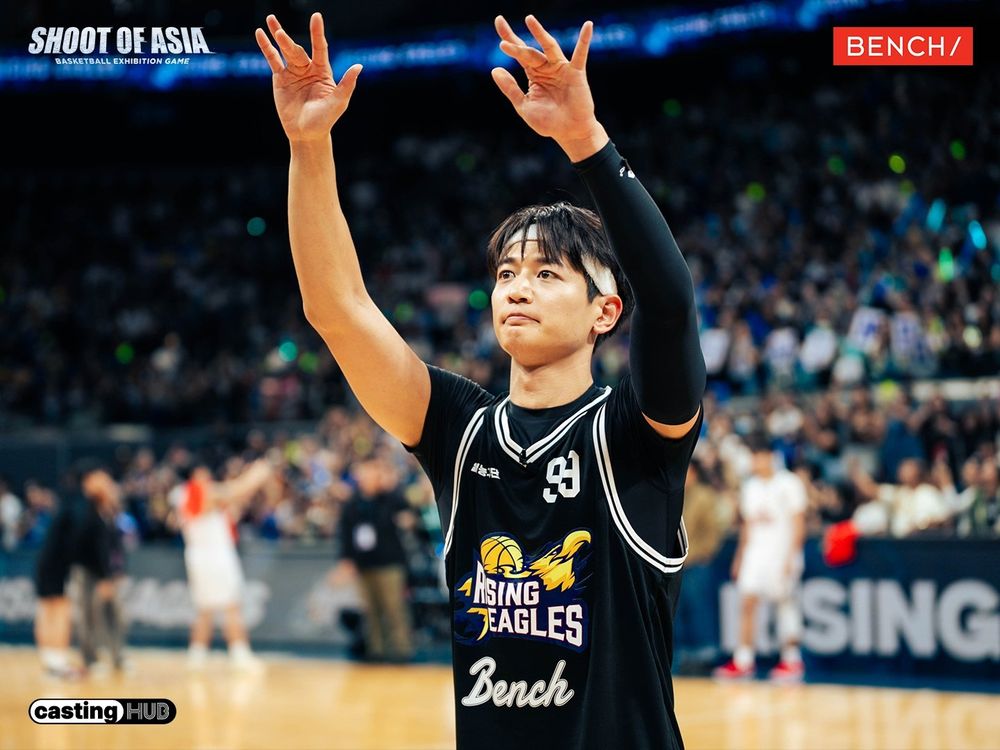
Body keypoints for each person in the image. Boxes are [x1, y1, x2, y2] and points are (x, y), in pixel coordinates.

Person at [256, 11, 704, 749]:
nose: (516, 288)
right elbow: (335, 309)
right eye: (505, 274)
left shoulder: (635, 434)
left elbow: (672, 301)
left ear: (605, 312)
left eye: (547, 273)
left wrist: (586, 142)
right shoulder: (458, 431)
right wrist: (309, 145)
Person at [714, 434, 806, 682]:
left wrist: (791, 556)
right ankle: (744, 660)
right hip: (756, 553)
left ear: (770, 457)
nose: (754, 461)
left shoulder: (789, 484)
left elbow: (799, 523)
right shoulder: (751, 487)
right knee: (746, 604)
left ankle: (792, 659)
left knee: (785, 605)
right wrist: (739, 557)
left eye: (758, 456)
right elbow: (746, 527)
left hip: (781, 552)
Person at [172, 458, 274, 670]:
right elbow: (236, 489)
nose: (208, 478)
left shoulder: (183, 494)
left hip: (200, 556)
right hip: (214, 557)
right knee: (231, 606)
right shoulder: (199, 491)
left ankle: (197, 656)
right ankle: (240, 655)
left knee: (205, 610)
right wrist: (258, 471)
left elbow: (232, 498)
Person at [33, 460, 117, 678]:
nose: (106, 482)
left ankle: (51, 662)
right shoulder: (84, 506)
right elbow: (87, 545)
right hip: (57, 564)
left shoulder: (75, 501)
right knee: (58, 609)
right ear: (89, 480)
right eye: (101, 477)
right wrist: (103, 575)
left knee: (49, 609)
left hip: (49, 561)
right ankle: (57, 662)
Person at [330, 458, 417, 662]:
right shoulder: (352, 503)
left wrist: (405, 514)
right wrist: (347, 561)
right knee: (371, 611)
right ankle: (375, 651)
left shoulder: (390, 497)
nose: (367, 477)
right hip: (364, 564)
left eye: (371, 472)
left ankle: (400, 652)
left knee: (394, 608)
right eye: (363, 472)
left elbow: (408, 515)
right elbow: (345, 535)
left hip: (390, 562)